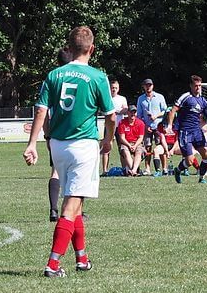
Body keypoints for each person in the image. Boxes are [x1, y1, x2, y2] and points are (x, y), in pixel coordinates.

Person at [23, 26, 116, 278]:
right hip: (83, 145)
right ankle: (52, 264)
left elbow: (41, 110)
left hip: (58, 145)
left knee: (77, 200)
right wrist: (108, 140)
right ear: (92, 49)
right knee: (70, 204)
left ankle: (82, 259)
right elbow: (110, 116)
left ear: (69, 47)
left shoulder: (54, 75)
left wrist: (32, 144)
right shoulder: (97, 77)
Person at [167, 75, 207, 184]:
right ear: (191, 86)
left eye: (200, 85)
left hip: (197, 131)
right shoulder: (186, 97)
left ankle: (202, 178)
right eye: (196, 85)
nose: (198, 88)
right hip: (185, 132)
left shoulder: (204, 101)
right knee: (189, 161)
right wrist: (170, 125)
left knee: (206, 155)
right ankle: (178, 170)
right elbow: (173, 110)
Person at [45, 47, 75, 221]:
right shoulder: (80, 78)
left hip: (56, 134)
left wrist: (47, 136)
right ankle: (73, 211)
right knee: (75, 174)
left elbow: (42, 111)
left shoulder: (52, 78)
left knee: (55, 172)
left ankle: (54, 210)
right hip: (76, 133)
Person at [136, 78, 167, 175]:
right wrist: (145, 126)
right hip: (147, 127)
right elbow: (139, 115)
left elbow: (165, 111)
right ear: (144, 87)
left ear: (152, 86)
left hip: (158, 126)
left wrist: (156, 116)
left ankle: (164, 168)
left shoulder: (160, 97)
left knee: (160, 146)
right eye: (146, 85)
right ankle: (147, 168)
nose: (148, 87)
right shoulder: (141, 99)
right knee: (147, 147)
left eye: (150, 85)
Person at [101, 80, 128, 174]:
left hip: (120, 126)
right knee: (106, 147)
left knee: (122, 147)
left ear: (118, 89)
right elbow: (102, 110)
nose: (114, 89)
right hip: (109, 126)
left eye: (115, 88)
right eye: (112, 88)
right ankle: (105, 170)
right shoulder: (106, 98)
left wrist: (117, 111)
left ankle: (124, 169)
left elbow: (125, 109)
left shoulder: (122, 98)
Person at [117, 105, 146, 176]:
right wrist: (129, 145)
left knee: (139, 151)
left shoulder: (141, 123)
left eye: (134, 112)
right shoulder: (122, 123)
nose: (133, 114)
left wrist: (135, 145)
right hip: (126, 143)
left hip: (137, 143)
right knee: (125, 151)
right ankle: (134, 170)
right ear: (127, 113)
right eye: (131, 112)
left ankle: (133, 170)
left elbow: (141, 138)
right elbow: (122, 138)